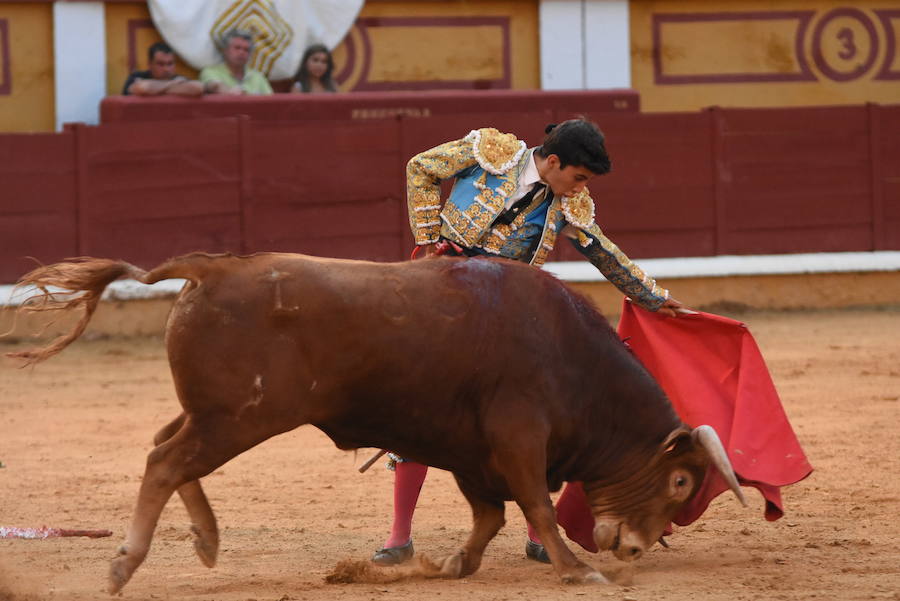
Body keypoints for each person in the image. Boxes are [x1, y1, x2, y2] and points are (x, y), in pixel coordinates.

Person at [372, 119, 685, 566]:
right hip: (441, 295)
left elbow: (601, 248)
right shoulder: (489, 150)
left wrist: (652, 296)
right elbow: (420, 168)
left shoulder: (570, 200)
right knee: (416, 410)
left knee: (526, 417)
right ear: (553, 161)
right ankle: (399, 535)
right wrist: (426, 242)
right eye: (577, 177)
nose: (579, 188)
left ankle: (539, 533)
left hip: (504, 312)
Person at [123, 42, 222, 97]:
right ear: (149, 64)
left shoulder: (178, 78)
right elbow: (143, 88)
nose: (166, 69)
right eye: (160, 64)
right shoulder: (137, 76)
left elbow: (197, 88)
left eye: (170, 64)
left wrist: (155, 88)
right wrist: (172, 84)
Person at [200, 29, 273, 95]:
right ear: (225, 50)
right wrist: (231, 92)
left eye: (246, 50)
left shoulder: (258, 77)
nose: (242, 52)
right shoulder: (211, 71)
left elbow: (272, 101)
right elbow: (214, 86)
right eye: (237, 48)